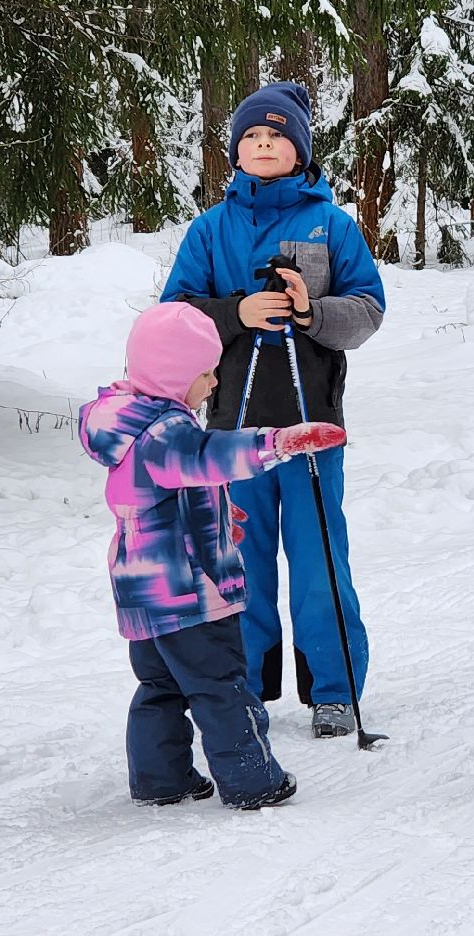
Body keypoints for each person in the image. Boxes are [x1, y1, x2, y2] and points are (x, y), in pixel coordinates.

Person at [160, 81, 386, 740]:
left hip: (310, 426)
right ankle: (245, 685)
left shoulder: (331, 225)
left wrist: (312, 312)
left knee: (319, 563)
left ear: (300, 151)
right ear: (235, 153)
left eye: (276, 137)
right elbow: (175, 313)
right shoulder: (211, 229)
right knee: (240, 564)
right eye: (252, 138)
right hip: (232, 429)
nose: (263, 146)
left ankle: (335, 689)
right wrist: (236, 312)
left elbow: (368, 310)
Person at [79, 301, 347, 808]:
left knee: (160, 686)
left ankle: (162, 780)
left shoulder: (125, 421)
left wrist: (218, 512)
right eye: (205, 372)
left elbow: (164, 489)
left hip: (142, 588)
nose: (214, 382)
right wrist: (278, 442)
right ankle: (253, 781)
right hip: (189, 589)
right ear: (174, 376)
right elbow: (209, 458)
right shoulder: (167, 433)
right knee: (221, 684)